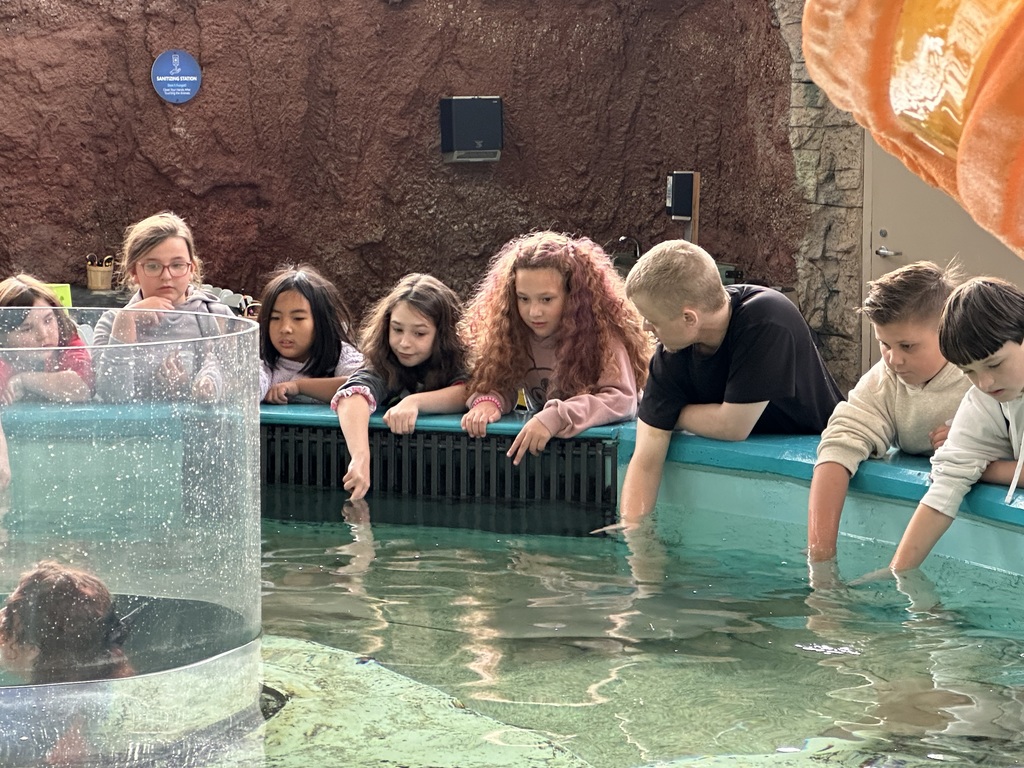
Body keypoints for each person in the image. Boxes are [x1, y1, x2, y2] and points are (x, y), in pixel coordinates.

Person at [619, 239, 844, 526]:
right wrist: (634, 534)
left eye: (652, 320)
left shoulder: (767, 319)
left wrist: (676, 414)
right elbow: (647, 457)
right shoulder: (672, 351)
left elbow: (734, 425)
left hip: (815, 454)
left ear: (689, 318)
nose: (645, 328)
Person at [808, 262, 973, 567]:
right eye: (884, 344)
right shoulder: (885, 378)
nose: (894, 359)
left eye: (907, 346)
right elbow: (838, 446)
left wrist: (979, 440)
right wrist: (820, 562)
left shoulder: (985, 373)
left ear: (948, 330)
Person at [460, 232, 651, 464]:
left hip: (607, 457)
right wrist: (489, 401)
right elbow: (497, 381)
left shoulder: (602, 337)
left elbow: (623, 400)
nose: (534, 312)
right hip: (554, 456)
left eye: (546, 299)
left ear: (572, 296)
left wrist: (557, 416)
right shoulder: (513, 333)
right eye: (524, 298)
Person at [888, 277, 1024, 571]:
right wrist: (898, 573)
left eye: (995, 364)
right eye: (969, 371)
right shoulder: (987, 396)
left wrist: (987, 468)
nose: (985, 382)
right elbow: (945, 486)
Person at [332, 273, 469, 500]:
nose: (404, 343)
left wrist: (415, 402)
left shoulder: (456, 360)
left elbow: (468, 390)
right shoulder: (386, 362)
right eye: (397, 330)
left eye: (419, 333)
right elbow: (351, 395)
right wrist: (360, 456)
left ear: (443, 334)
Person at [92, 211, 233, 402]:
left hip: (195, 429)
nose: (166, 276)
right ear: (134, 272)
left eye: (177, 265)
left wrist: (189, 389)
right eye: (153, 266)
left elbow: (240, 386)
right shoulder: (112, 322)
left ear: (192, 269)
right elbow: (112, 396)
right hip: (132, 431)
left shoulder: (216, 317)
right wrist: (126, 319)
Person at [0, 275, 95, 488]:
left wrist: (25, 380)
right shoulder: (3, 356)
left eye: (48, 320)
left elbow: (80, 388)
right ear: (3, 336)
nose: (43, 335)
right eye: (26, 329)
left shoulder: (67, 337)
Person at [0, 560, 133, 684]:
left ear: (32, 649)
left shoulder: (37, 705)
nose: (1, 614)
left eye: (9, 615)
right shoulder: (109, 686)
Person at [258, 265, 363, 404]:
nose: (285, 329)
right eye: (275, 318)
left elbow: (364, 383)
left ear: (321, 322)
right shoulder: (263, 359)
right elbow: (246, 387)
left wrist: (298, 386)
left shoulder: (339, 354)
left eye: (298, 318)